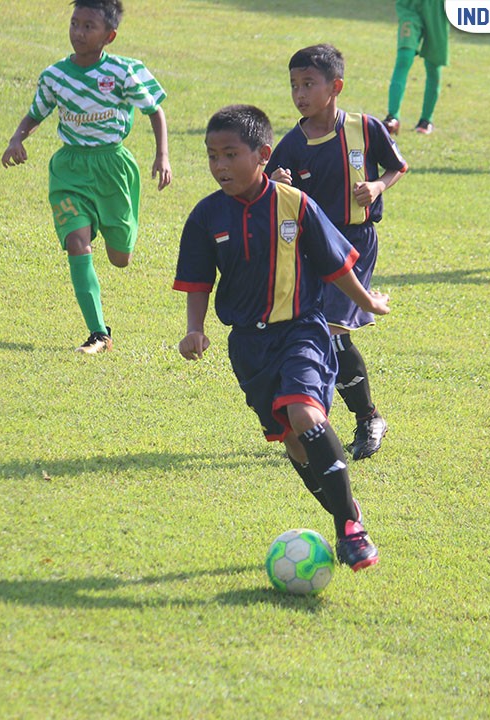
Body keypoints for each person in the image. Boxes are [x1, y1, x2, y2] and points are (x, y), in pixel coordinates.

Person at [174, 105, 389, 571]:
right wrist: (195, 329)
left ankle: (350, 525)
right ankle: (344, 515)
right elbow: (197, 279)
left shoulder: (294, 203)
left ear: (263, 155)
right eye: (212, 156)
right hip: (249, 348)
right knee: (292, 439)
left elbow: (335, 263)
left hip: (301, 330)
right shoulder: (206, 216)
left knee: (305, 412)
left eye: (230, 154)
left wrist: (366, 301)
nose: (220, 166)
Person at [2, 0, 172, 353]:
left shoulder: (125, 72)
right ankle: (99, 333)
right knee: (77, 244)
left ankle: (109, 223)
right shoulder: (55, 76)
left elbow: (154, 111)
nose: (78, 32)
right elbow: (36, 113)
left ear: (109, 36)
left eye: (88, 26)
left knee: (119, 257)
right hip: (70, 170)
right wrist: (17, 138)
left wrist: (163, 155)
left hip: (113, 168)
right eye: (74, 23)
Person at [267, 44, 407, 461]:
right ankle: (347, 417)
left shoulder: (365, 128)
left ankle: (358, 420)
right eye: (294, 85)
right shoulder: (292, 144)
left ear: (336, 87)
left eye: (308, 84)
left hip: (355, 243)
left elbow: (397, 166)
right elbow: (269, 196)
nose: (300, 93)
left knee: (329, 331)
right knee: (318, 333)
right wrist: (276, 181)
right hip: (312, 246)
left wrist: (379, 186)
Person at [383, 0, 450, 136]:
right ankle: (393, 117)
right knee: (404, 57)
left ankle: (426, 120)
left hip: (438, 8)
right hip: (410, 6)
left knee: (433, 64)